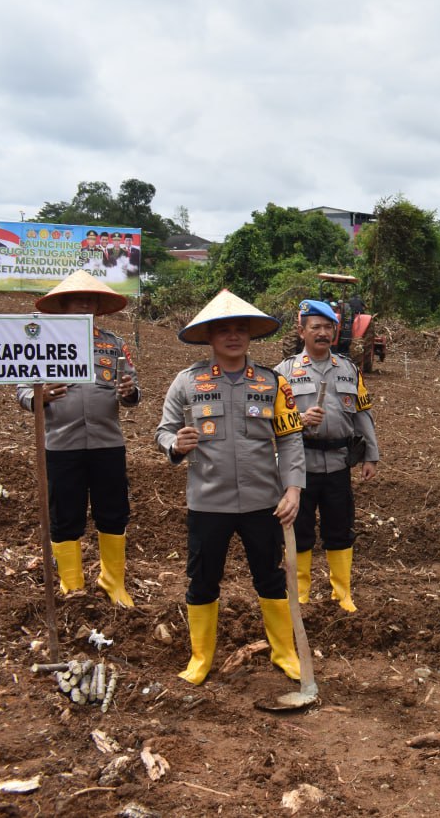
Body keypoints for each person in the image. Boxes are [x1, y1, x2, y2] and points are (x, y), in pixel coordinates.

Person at [155, 290, 305, 685]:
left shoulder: (274, 382)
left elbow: (290, 439)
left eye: (241, 329)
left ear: (250, 336)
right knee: (203, 579)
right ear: (209, 336)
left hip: (263, 501)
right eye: (224, 330)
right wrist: (174, 445)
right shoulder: (187, 382)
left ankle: (285, 653)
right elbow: (164, 430)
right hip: (208, 501)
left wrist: (293, 489)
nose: (233, 336)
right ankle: (201, 658)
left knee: (270, 578)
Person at [17, 271, 139, 607]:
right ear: (62, 304)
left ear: (98, 308)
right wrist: (40, 397)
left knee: (113, 513)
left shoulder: (113, 344)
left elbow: (131, 389)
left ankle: (113, 583)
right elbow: (22, 390)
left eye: (91, 299)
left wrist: (129, 393)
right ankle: (72, 586)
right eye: (77, 298)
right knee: (65, 516)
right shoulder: (41, 343)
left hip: (108, 444)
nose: (85, 303)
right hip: (61, 445)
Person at [275, 299, 380, 612]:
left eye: (327, 328)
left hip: (337, 463)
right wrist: (301, 419)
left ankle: (342, 592)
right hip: (299, 466)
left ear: (335, 332)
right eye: (315, 327)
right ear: (302, 331)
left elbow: (363, 414)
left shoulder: (348, 369)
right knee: (300, 529)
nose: (322, 333)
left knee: (340, 528)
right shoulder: (284, 373)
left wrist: (371, 455)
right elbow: (271, 422)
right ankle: (301, 592)